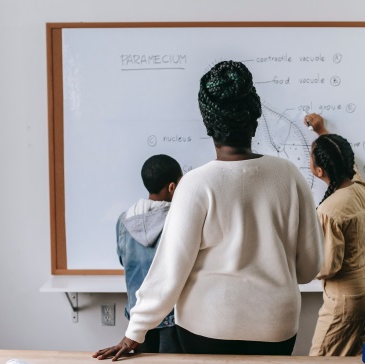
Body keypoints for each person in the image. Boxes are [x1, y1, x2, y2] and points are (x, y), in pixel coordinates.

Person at [93, 60, 324, 360]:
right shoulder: (289, 176)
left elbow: (168, 272)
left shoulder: (194, 184)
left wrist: (135, 332)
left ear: (207, 125)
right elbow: (309, 268)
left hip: (206, 330)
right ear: (254, 119)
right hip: (276, 328)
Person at [304, 113, 365, 356]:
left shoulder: (329, 210)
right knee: (359, 360)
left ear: (318, 171)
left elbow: (329, 266)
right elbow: (349, 164)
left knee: (320, 360)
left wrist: (295, 262)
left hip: (346, 301)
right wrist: (322, 131)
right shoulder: (359, 188)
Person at [116, 154, 183, 354]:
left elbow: (123, 259)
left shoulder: (124, 219)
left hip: (137, 317)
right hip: (171, 317)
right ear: (172, 187)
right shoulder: (179, 220)